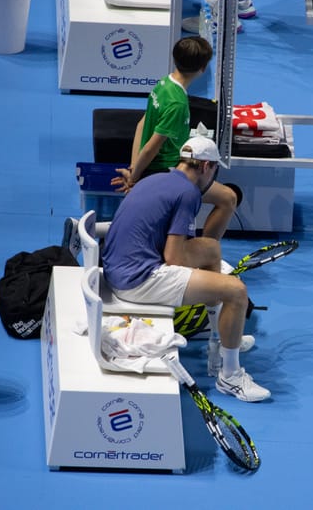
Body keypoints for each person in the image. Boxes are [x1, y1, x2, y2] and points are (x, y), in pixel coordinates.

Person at [103, 136, 270, 403]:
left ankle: (217, 341)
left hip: (116, 269)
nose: (213, 178)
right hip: (136, 280)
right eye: (215, 170)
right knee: (236, 291)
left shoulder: (156, 178)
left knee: (211, 249)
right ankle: (230, 377)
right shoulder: (189, 193)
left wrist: (206, 269)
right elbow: (174, 257)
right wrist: (213, 281)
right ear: (206, 166)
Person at [111, 36, 238, 241]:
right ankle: (206, 252)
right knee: (228, 198)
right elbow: (152, 147)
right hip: (166, 171)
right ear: (203, 68)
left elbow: (141, 126)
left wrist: (134, 170)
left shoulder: (163, 84)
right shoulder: (177, 104)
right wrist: (135, 179)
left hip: (149, 169)